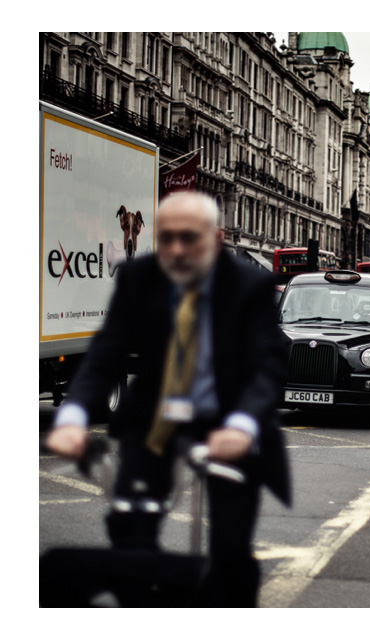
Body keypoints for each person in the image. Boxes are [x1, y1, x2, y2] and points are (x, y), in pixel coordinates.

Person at [45, 191, 290, 606]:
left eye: (188, 238)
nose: (175, 250)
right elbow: (106, 352)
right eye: (166, 238)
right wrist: (72, 417)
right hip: (155, 421)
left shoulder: (249, 285)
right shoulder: (138, 277)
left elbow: (267, 365)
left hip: (229, 421)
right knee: (129, 532)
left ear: (215, 238)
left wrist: (242, 426)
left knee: (230, 551)